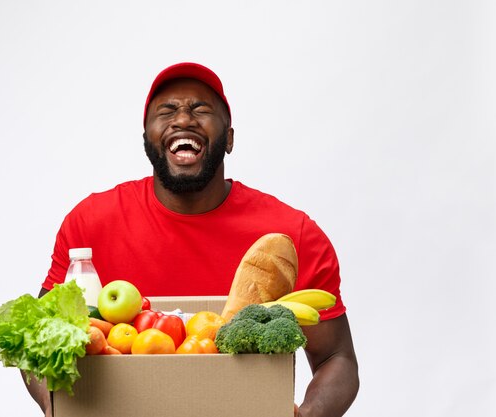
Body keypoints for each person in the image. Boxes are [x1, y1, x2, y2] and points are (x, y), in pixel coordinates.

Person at [23, 62, 359, 417]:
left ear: (229, 138)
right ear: (146, 139)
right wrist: (56, 407)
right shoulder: (90, 224)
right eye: (166, 111)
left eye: (201, 109)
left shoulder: (289, 236)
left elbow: (337, 358)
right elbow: (37, 342)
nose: (183, 119)